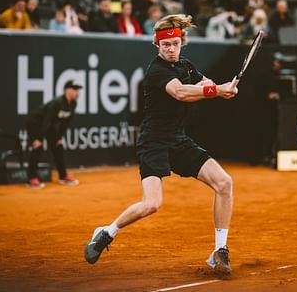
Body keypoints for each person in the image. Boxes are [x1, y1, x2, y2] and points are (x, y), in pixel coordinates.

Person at [84, 14, 238, 274]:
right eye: (165, 45)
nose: (170, 49)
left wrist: (221, 88)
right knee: (152, 204)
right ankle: (107, 231)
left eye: (174, 44)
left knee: (224, 183)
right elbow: (179, 92)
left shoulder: (186, 66)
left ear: (181, 43)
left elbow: (203, 83)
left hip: (179, 141)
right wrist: (215, 91)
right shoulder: (157, 70)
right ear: (157, 45)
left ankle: (219, 252)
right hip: (153, 142)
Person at [25, 81, 82, 189]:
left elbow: (65, 122)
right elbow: (47, 120)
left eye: (78, 90)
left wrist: (59, 137)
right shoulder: (57, 102)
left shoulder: (73, 104)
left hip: (47, 125)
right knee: (38, 147)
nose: (77, 92)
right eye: (75, 89)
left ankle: (63, 176)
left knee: (58, 146)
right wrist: (38, 138)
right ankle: (31, 178)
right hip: (35, 122)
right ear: (67, 90)